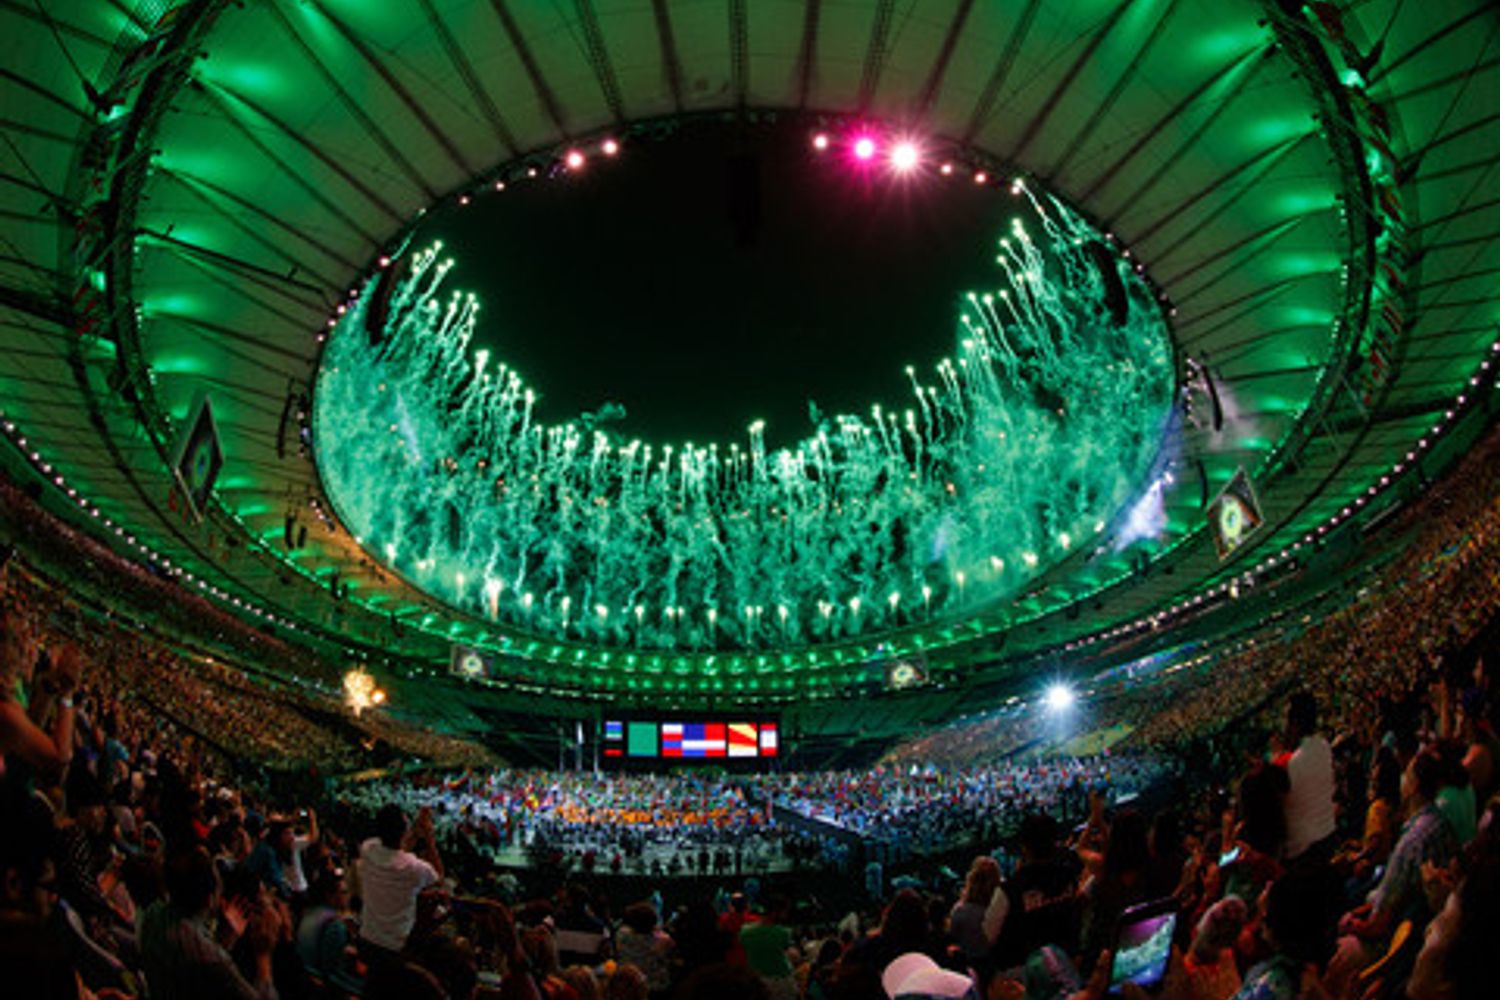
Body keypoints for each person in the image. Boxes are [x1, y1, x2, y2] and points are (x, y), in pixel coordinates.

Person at [138, 847, 277, 999]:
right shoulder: (213, 959)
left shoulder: (153, 914)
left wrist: (223, 942)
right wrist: (263, 956)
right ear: (211, 899)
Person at [356, 803, 443, 993]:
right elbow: (438, 878)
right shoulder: (415, 868)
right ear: (404, 831)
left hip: (367, 942)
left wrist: (413, 830)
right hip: (396, 951)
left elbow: (395, 851)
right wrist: (429, 837)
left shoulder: (368, 848)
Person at [1281, 692, 1336, 865]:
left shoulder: (1293, 764)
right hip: (1328, 836)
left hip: (1303, 852)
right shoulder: (1324, 746)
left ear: (1295, 723)